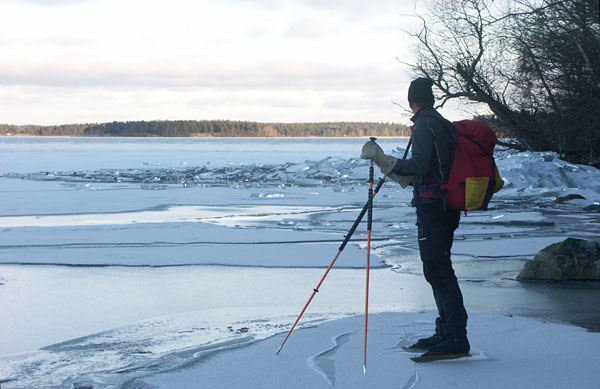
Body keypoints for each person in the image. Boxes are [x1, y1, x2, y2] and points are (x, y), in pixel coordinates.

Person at [360, 77, 470, 356]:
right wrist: (390, 165)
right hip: (443, 205)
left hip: (434, 207)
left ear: (412, 101)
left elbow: (420, 166)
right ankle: (446, 331)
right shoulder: (438, 122)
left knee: (438, 269)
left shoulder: (424, 125)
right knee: (437, 268)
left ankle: (455, 337)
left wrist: (384, 160)